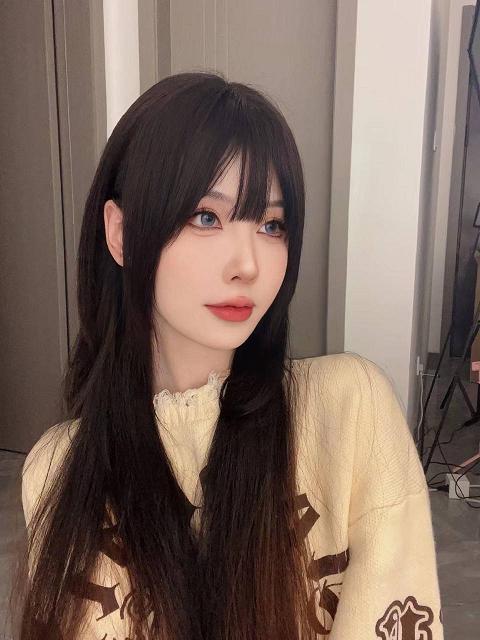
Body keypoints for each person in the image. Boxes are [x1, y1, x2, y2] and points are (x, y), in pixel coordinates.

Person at [14, 71, 444, 639]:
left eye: (271, 224)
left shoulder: (348, 410)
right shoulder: (56, 470)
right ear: (120, 233)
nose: (248, 264)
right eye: (206, 217)